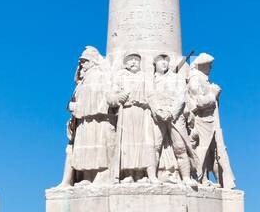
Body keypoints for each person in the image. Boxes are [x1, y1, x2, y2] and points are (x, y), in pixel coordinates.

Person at [59, 46, 114, 186]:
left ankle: (100, 176)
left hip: (96, 119)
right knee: (86, 148)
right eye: (82, 62)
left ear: (93, 62)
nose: (83, 64)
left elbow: (98, 101)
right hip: (84, 120)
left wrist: (76, 107)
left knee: (97, 147)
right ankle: (87, 176)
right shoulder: (85, 79)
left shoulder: (99, 76)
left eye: (85, 61)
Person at [186, 52, 234, 187]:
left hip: (209, 119)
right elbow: (199, 102)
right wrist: (213, 94)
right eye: (209, 65)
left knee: (212, 152)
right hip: (202, 119)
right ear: (202, 65)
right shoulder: (195, 79)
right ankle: (197, 176)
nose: (210, 67)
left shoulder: (203, 79)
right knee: (203, 148)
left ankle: (205, 178)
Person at [108, 53, 155, 182]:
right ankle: (128, 173)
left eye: (136, 60)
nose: (133, 62)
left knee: (142, 143)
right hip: (126, 112)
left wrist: (147, 103)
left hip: (142, 112)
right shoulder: (120, 76)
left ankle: (140, 173)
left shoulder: (145, 76)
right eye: (130, 60)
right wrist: (118, 97)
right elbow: (111, 95)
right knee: (126, 143)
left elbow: (152, 94)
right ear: (125, 63)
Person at [149, 53, 193, 185]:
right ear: (155, 64)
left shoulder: (177, 78)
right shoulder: (151, 80)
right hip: (158, 116)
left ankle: (186, 177)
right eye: (160, 61)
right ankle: (153, 177)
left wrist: (171, 112)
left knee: (180, 147)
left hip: (174, 116)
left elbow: (181, 97)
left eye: (166, 61)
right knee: (155, 146)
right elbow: (150, 96)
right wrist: (158, 111)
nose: (164, 63)